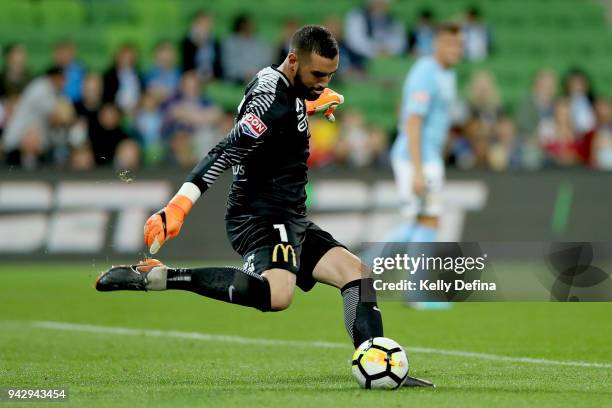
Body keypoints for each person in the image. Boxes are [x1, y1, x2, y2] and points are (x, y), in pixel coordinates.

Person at [95, 25, 433, 388]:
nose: (323, 82)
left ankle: (377, 362)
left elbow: (282, 117)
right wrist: (177, 206)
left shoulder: (281, 85)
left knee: (359, 276)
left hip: (289, 215)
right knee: (277, 295)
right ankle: (161, 277)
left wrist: (308, 103)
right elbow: (225, 150)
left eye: (330, 76)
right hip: (259, 213)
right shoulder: (272, 103)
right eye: (317, 75)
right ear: (293, 61)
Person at [388, 23, 462, 309]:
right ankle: (416, 295)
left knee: (422, 221)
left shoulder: (448, 74)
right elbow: (413, 120)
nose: (456, 50)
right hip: (414, 157)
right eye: (451, 45)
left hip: (428, 158)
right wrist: (418, 169)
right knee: (429, 219)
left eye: (459, 45)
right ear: (437, 45)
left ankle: (363, 267)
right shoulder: (425, 72)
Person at [2, 67, 66, 168]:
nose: (64, 83)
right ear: (55, 77)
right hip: (17, 140)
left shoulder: (47, 88)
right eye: (62, 79)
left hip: (32, 140)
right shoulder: (42, 88)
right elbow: (56, 118)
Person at [180, 10, 222, 81]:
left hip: (211, 77)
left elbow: (217, 64)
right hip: (193, 77)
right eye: (202, 23)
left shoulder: (214, 41)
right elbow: (187, 64)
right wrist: (198, 43)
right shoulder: (187, 42)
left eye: (208, 22)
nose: (205, 26)